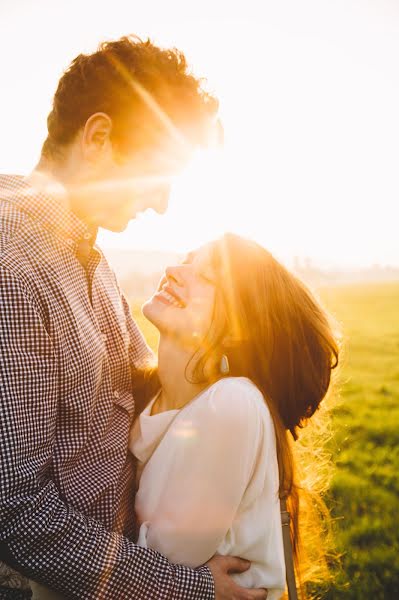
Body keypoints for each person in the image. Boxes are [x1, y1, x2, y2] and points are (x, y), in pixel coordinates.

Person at [0, 36, 268, 600]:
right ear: (99, 138)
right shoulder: (12, 265)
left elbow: (141, 388)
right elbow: (14, 511)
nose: (163, 204)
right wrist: (188, 589)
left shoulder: (87, 260)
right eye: (158, 174)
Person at [129, 233, 340, 599]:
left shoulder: (232, 403)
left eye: (208, 277)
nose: (174, 271)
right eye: (186, 258)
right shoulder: (149, 402)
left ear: (239, 328)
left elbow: (159, 573)